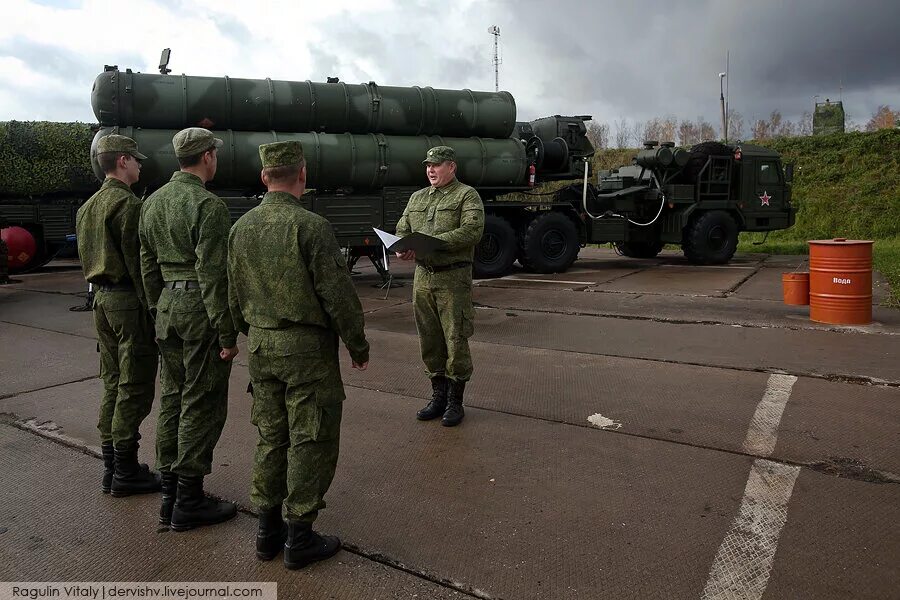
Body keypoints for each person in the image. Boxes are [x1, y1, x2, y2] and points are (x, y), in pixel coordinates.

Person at [228, 140, 370, 569]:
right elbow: (338, 295)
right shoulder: (310, 227)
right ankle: (299, 536)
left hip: (263, 348)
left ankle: (266, 531)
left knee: (272, 437)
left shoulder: (240, 228)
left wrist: (245, 328)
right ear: (302, 175)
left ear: (263, 177)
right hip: (306, 352)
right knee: (311, 437)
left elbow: (232, 292)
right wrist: (357, 343)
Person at [139, 127, 238, 531]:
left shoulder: (152, 203)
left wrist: (157, 307)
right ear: (208, 157)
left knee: (173, 399)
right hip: (200, 311)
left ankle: (169, 494)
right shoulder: (207, 205)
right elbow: (214, 276)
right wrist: (228, 333)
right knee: (201, 402)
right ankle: (190, 500)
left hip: (167, 309)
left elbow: (147, 265)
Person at [75, 134, 160, 497]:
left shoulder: (88, 207)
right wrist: (154, 309)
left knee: (112, 380)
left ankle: (112, 465)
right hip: (127, 301)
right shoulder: (127, 206)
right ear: (122, 161)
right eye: (136, 159)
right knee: (134, 384)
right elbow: (139, 265)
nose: (141, 164)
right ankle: (125, 470)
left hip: (101, 302)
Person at [395, 145, 484, 427]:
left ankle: (456, 401)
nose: (431, 170)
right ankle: (438, 396)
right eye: (428, 166)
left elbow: (473, 230)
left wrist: (434, 243)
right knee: (429, 340)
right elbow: (402, 227)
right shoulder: (417, 197)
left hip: (453, 279)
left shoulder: (466, 195)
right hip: (423, 279)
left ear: (451, 167)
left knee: (455, 339)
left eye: (436, 165)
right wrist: (402, 247)